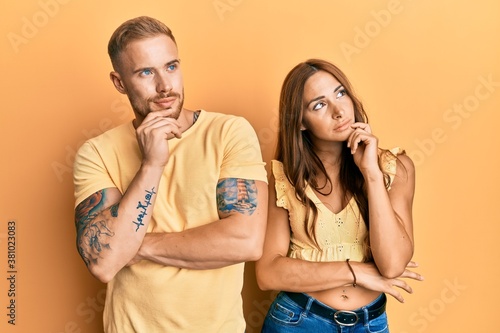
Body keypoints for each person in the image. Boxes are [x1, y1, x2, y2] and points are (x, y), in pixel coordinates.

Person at [72, 16, 268, 333]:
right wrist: (152, 164)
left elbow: (246, 241)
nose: (165, 85)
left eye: (172, 67)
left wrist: (137, 245)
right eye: (146, 72)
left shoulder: (229, 132)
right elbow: (104, 261)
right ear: (119, 82)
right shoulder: (95, 153)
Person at [255, 59, 423, 332]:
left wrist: (371, 173)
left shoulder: (396, 168)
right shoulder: (283, 179)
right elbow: (268, 273)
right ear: (300, 122)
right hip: (297, 320)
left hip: (370, 324)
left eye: (340, 93)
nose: (338, 110)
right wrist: (355, 271)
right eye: (319, 105)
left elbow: (392, 264)